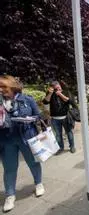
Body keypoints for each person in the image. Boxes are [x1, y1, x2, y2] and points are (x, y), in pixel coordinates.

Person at [0, 75, 45, 213]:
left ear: (12, 86)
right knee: (9, 168)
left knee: (33, 162)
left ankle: (38, 183)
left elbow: (38, 115)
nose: (1, 90)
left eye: (3, 87)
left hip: (26, 137)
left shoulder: (27, 99)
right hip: (6, 140)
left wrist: (29, 119)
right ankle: (10, 195)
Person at [42, 81, 76, 154]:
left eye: (58, 87)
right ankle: (60, 148)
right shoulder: (50, 94)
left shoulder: (66, 92)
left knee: (69, 132)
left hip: (66, 117)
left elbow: (70, 101)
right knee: (58, 135)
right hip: (55, 118)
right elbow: (45, 102)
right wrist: (50, 93)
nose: (58, 89)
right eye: (55, 89)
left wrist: (60, 94)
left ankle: (72, 146)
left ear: (60, 85)